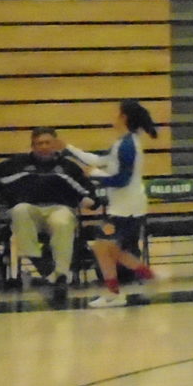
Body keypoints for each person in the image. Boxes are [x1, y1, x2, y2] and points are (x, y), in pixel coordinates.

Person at [66, 101, 160, 309]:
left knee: (105, 247)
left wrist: (95, 175)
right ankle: (125, 286)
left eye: (116, 113)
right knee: (106, 248)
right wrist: (69, 149)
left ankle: (142, 277)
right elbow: (99, 160)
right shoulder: (122, 142)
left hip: (127, 208)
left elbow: (121, 180)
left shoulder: (128, 146)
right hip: (123, 206)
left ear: (123, 117)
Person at [0, 130, 95, 288]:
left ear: (55, 145)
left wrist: (90, 199)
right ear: (33, 146)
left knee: (63, 221)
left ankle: (60, 275)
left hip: (58, 209)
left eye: (48, 143)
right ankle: (38, 259)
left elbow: (87, 189)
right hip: (29, 210)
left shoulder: (68, 166)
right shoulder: (18, 163)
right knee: (20, 210)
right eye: (40, 143)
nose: (44, 146)